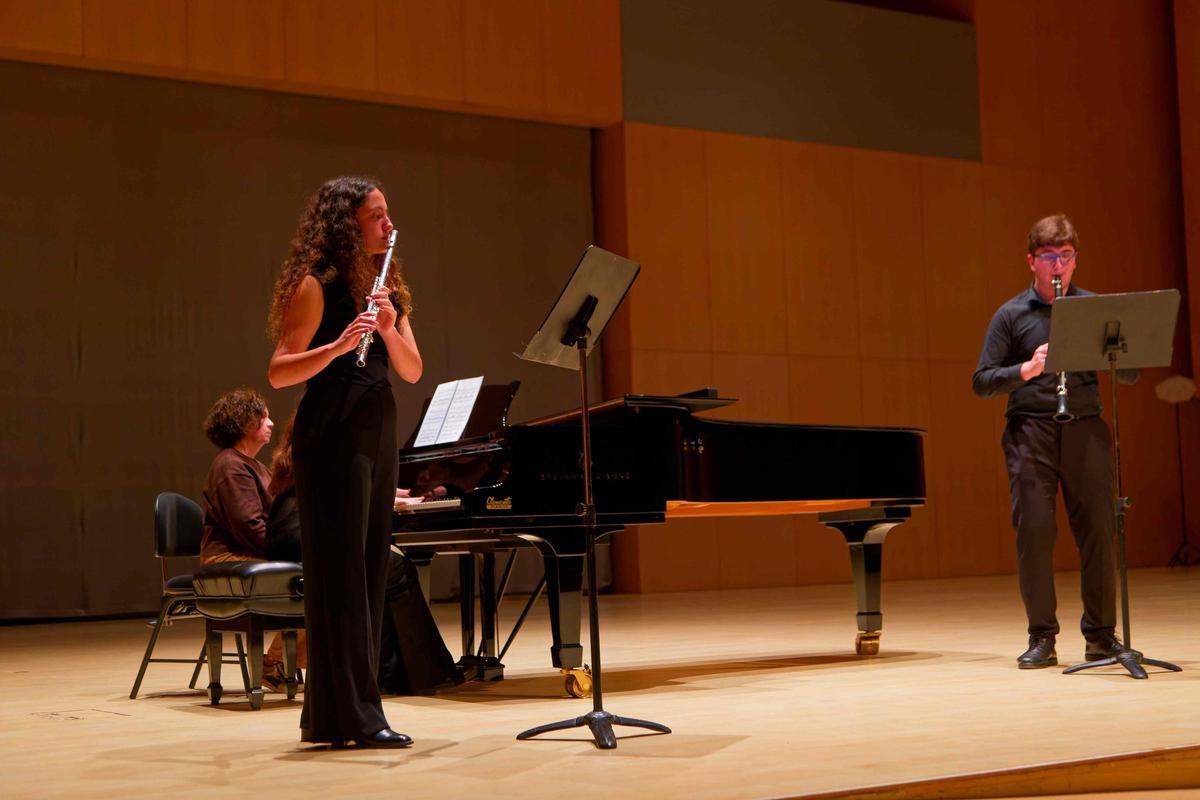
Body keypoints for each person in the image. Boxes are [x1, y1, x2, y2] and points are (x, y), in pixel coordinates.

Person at [267, 176, 421, 749]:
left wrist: (385, 326)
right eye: (376, 216)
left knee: (370, 570)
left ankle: (343, 715)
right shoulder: (319, 285)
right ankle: (354, 716)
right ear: (347, 225)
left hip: (376, 430)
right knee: (341, 579)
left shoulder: (390, 292)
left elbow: (411, 369)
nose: (388, 225)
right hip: (331, 434)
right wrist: (334, 348)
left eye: (387, 213)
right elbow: (280, 370)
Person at [972, 214, 1137, 669]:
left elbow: (1131, 371)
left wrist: (1116, 353)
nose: (1059, 266)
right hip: (1031, 432)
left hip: (1086, 427)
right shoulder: (1011, 315)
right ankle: (1042, 636)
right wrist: (1024, 370)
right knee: (1036, 535)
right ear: (1032, 262)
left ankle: (1102, 636)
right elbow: (982, 381)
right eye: (1050, 257)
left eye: (1066, 256)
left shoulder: (1094, 309)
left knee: (1100, 533)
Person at [266, 416, 463, 695]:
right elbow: (346, 494)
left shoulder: (299, 452)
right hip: (303, 538)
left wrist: (387, 496)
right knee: (395, 567)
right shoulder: (324, 452)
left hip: (295, 537)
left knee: (387, 567)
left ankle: (391, 672)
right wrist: (392, 499)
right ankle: (418, 671)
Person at [198, 387, 307, 689]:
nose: (271, 423)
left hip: (251, 551)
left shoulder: (254, 465)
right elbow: (250, 528)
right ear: (245, 422)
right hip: (229, 555)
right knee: (320, 576)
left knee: (325, 571)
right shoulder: (230, 466)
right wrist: (290, 550)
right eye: (264, 417)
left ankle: (284, 661)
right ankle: (273, 663)